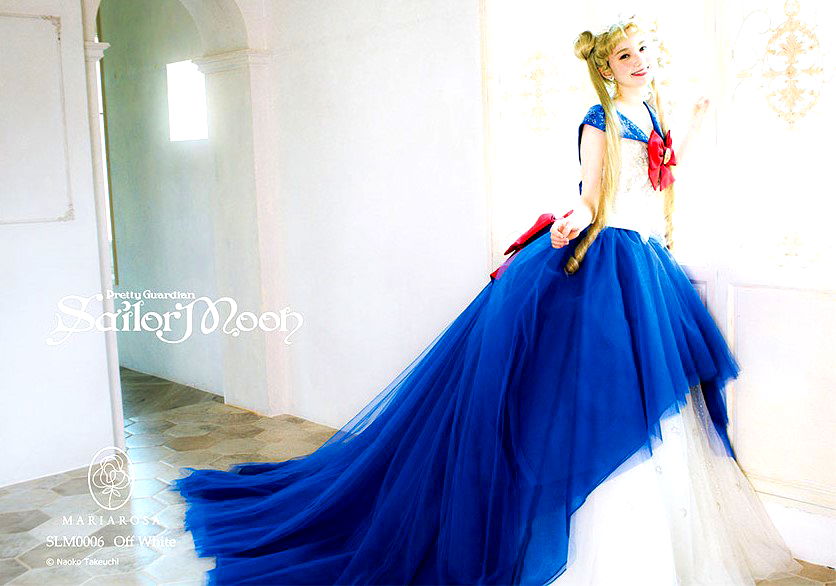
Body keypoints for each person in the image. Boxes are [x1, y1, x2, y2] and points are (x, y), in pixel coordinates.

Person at [170, 17, 801, 585]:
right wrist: (571, 221)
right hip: (608, 257)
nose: (638, 61)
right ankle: (585, 548)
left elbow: (662, 171)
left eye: (641, 50)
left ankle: (660, 551)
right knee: (595, 393)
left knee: (648, 397)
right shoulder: (600, 116)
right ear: (606, 68)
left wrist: (693, 121)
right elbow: (593, 193)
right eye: (624, 55)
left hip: (646, 263)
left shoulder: (652, 113)